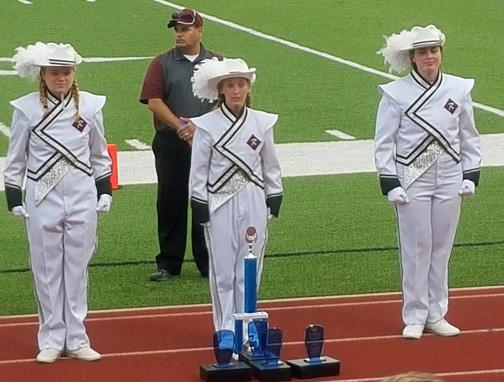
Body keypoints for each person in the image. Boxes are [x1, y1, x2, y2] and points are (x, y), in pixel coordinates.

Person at [4, 42, 112, 363]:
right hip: (42, 196)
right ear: (44, 75)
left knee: (77, 268)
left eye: (66, 72)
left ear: (73, 73)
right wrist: (14, 197)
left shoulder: (91, 106)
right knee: (47, 268)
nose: (61, 78)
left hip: (81, 195)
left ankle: (77, 337)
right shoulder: (26, 109)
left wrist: (104, 190)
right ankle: (51, 336)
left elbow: (99, 153)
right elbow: (15, 160)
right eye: (54, 73)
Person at [374, 25, 481, 339]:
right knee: (416, 247)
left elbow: (468, 136)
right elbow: (384, 142)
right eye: (423, 52)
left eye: (434, 50)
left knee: (441, 247)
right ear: (413, 58)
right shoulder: (395, 93)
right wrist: (391, 181)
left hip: (449, 175)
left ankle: (437, 312)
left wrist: (470, 174)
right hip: (413, 178)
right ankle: (415, 314)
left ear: (441, 54)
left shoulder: (459, 89)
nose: (430, 56)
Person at [189, 58, 283, 338]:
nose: (236, 90)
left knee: (250, 266)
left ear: (248, 88)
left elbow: (271, 163)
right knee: (222, 269)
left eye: (241, 84)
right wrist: (199, 202)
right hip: (219, 202)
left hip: (253, 197)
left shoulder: (262, 121)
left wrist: (274, 192)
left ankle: (249, 324)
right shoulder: (206, 125)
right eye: (230, 85)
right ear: (221, 90)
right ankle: (226, 328)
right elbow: (199, 169)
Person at [139, 8, 220, 281]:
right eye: (177, 29)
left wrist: (200, 126)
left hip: (208, 141)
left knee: (205, 199)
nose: (179, 33)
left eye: (185, 29)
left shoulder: (217, 63)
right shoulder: (161, 63)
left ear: (199, 30)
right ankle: (168, 262)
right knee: (170, 200)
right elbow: (153, 100)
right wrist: (181, 126)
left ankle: (207, 261)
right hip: (171, 141)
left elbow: (225, 99)